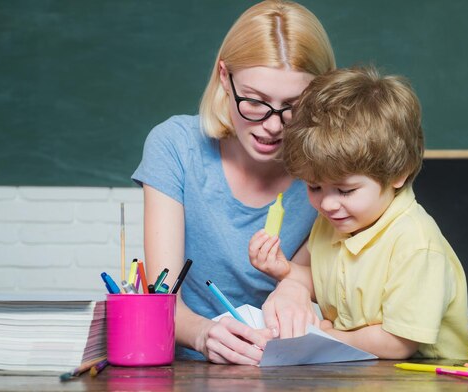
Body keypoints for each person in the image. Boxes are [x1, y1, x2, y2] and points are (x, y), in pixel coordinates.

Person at [132, 0, 335, 365]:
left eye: (294, 105)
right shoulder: (175, 146)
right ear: (224, 77)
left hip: (291, 369)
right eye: (255, 101)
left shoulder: (330, 169)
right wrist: (203, 334)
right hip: (191, 369)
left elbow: (337, 279)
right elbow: (163, 300)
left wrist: (294, 287)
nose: (273, 125)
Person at [249, 66, 468, 360]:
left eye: (345, 191)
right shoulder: (335, 222)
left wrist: (325, 336)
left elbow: (397, 343)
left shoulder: (416, 243)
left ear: (398, 174)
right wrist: (285, 271)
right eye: (314, 187)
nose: (327, 204)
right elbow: (328, 281)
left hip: (426, 378)